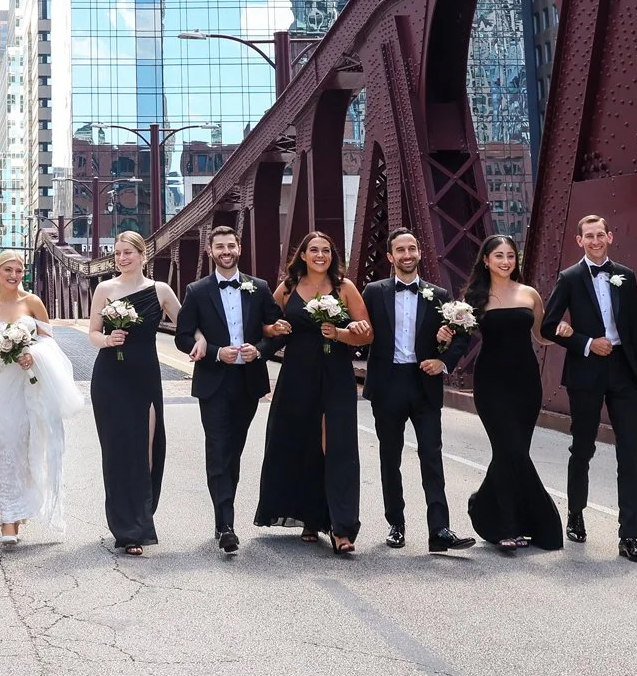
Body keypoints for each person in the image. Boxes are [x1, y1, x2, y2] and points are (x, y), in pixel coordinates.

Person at [543, 214, 637, 564]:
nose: (595, 241)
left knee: (629, 454)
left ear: (610, 236)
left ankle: (629, 536)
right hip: (586, 372)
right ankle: (575, 513)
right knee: (583, 447)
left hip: (623, 371)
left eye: (600, 235)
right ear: (579, 241)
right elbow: (548, 325)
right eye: (588, 236)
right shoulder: (570, 278)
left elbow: (636, 329)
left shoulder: (626, 275)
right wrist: (587, 343)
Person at [254, 230, 373, 553]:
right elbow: (268, 325)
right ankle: (310, 517)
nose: (320, 255)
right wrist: (273, 328)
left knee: (337, 445)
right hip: (296, 376)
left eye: (326, 250)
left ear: (333, 256)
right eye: (314, 250)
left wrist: (341, 333)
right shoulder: (288, 288)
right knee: (301, 444)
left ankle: (341, 527)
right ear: (303, 255)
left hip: (335, 375)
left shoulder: (345, 288)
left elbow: (365, 335)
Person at [358, 229, 475, 552]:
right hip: (387, 383)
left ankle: (440, 529)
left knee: (431, 457)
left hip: (424, 383)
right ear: (390, 257)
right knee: (389, 457)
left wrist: (444, 361)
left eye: (412, 249)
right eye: (400, 250)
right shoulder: (372, 292)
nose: (407, 254)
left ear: (420, 253)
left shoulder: (438, 295)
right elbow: (357, 327)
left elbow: (465, 332)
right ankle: (396, 523)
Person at [0, 250, 83, 544]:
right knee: (6, 448)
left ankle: (23, 505)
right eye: (8, 270)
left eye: (19, 270)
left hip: (31, 384)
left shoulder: (33, 302)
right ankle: (8, 518)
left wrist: (31, 353)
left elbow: (50, 342)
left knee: (29, 447)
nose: (14, 275)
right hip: (2, 385)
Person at [175, 223, 277, 555]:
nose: (226, 251)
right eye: (220, 247)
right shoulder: (196, 290)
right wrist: (213, 350)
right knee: (218, 450)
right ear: (210, 252)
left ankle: (224, 513)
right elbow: (182, 335)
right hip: (214, 381)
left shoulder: (259, 288)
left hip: (248, 381)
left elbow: (277, 331)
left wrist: (259, 349)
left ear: (239, 249)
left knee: (233, 451)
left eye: (231, 246)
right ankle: (225, 525)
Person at [463, 234, 563, 552]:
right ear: (486, 260)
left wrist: (563, 333)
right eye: (499, 256)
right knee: (510, 451)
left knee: (513, 453)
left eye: (510, 256)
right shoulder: (475, 297)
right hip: (491, 383)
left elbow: (542, 335)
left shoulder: (529, 294)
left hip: (526, 384)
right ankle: (512, 526)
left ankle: (486, 507)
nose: (506, 262)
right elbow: (459, 336)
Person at [88, 230, 179, 555]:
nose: (122, 258)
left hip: (145, 378)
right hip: (110, 378)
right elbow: (93, 334)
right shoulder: (105, 289)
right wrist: (107, 340)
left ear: (143, 255)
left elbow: (187, 324)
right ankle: (127, 530)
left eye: (128, 252)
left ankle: (142, 516)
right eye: (118, 253)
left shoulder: (160, 290)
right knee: (117, 452)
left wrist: (200, 340)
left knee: (148, 448)